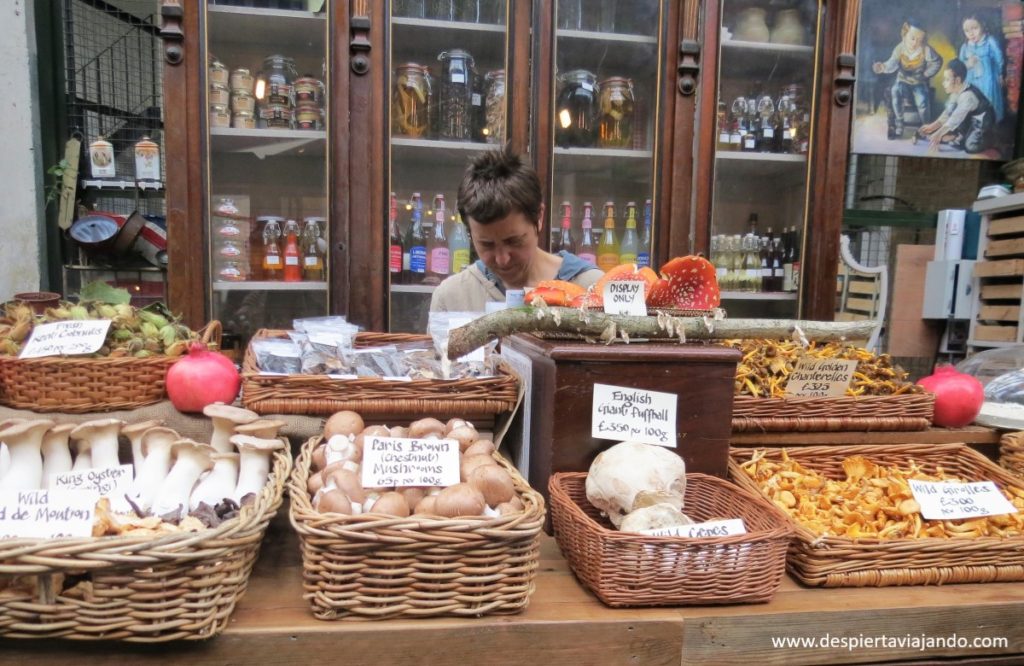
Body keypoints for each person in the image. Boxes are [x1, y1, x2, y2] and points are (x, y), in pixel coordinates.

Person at [429, 147, 603, 312]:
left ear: (539, 218)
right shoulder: (452, 298)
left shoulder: (594, 289)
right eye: (486, 245)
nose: (502, 259)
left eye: (514, 241)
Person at [872, 19, 943, 140]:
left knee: (922, 102)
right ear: (904, 34)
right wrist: (883, 67)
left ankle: (925, 127)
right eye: (912, 38)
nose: (915, 42)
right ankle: (899, 123)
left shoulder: (926, 49)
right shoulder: (900, 48)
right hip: (903, 81)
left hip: (919, 82)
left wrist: (926, 74)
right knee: (895, 91)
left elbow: (937, 61)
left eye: (920, 40)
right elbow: (892, 64)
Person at [919, 58, 995, 154]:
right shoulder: (955, 93)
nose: (943, 83)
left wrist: (938, 134)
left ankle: (986, 137)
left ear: (958, 80)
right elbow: (948, 113)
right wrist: (932, 127)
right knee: (952, 110)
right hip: (969, 118)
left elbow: (955, 119)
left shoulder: (967, 96)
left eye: (947, 80)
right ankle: (961, 135)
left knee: (970, 147)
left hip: (983, 120)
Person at [959, 13, 1005, 123]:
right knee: (972, 100)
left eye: (975, 28)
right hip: (971, 80)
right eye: (967, 30)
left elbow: (999, 59)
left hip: (988, 79)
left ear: (982, 26)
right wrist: (968, 63)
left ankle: (991, 122)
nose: (971, 33)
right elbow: (960, 65)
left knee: (988, 100)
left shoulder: (990, 42)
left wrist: (1000, 74)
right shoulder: (965, 47)